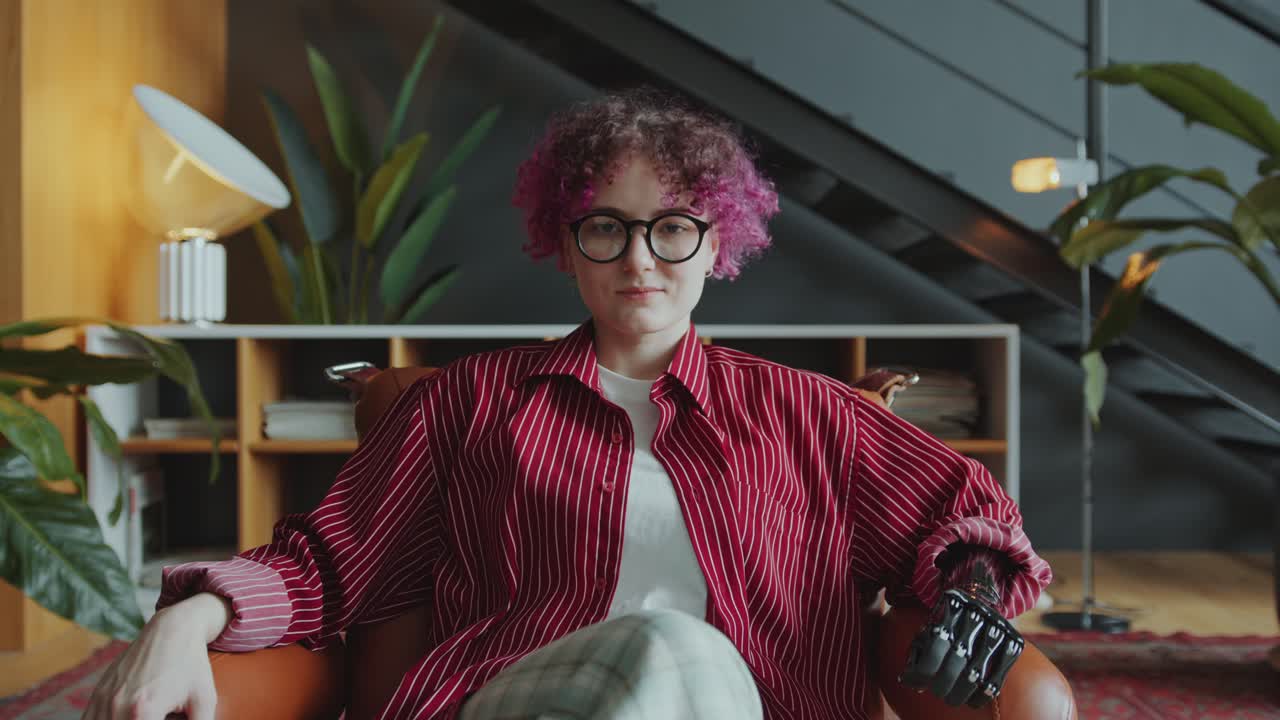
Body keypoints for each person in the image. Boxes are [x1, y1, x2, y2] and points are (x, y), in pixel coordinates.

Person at [86, 86, 1052, 720]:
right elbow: (323, 566)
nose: (640, 257)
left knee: (694, 667)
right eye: (606, 228)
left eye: (672, 228)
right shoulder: (464, 406)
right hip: (513, 700)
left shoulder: (813, 414)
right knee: (674, 647)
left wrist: (970, 595)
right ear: (564, 241)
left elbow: (969, 521)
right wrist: (183, 622)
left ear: (718, 243)